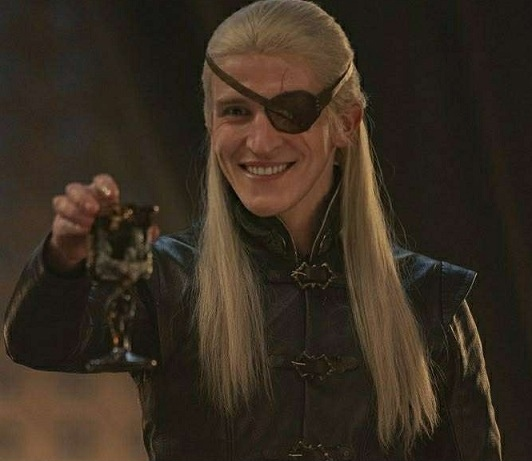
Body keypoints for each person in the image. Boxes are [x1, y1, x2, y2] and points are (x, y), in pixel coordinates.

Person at [4, 1, 501, 460]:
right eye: (236, 112)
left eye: (291, 111)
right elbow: (38, 342)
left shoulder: (429, 297)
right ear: (210, 121)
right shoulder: (167, 279)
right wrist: (64, 259)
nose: (260, 142)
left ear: (346, 124)